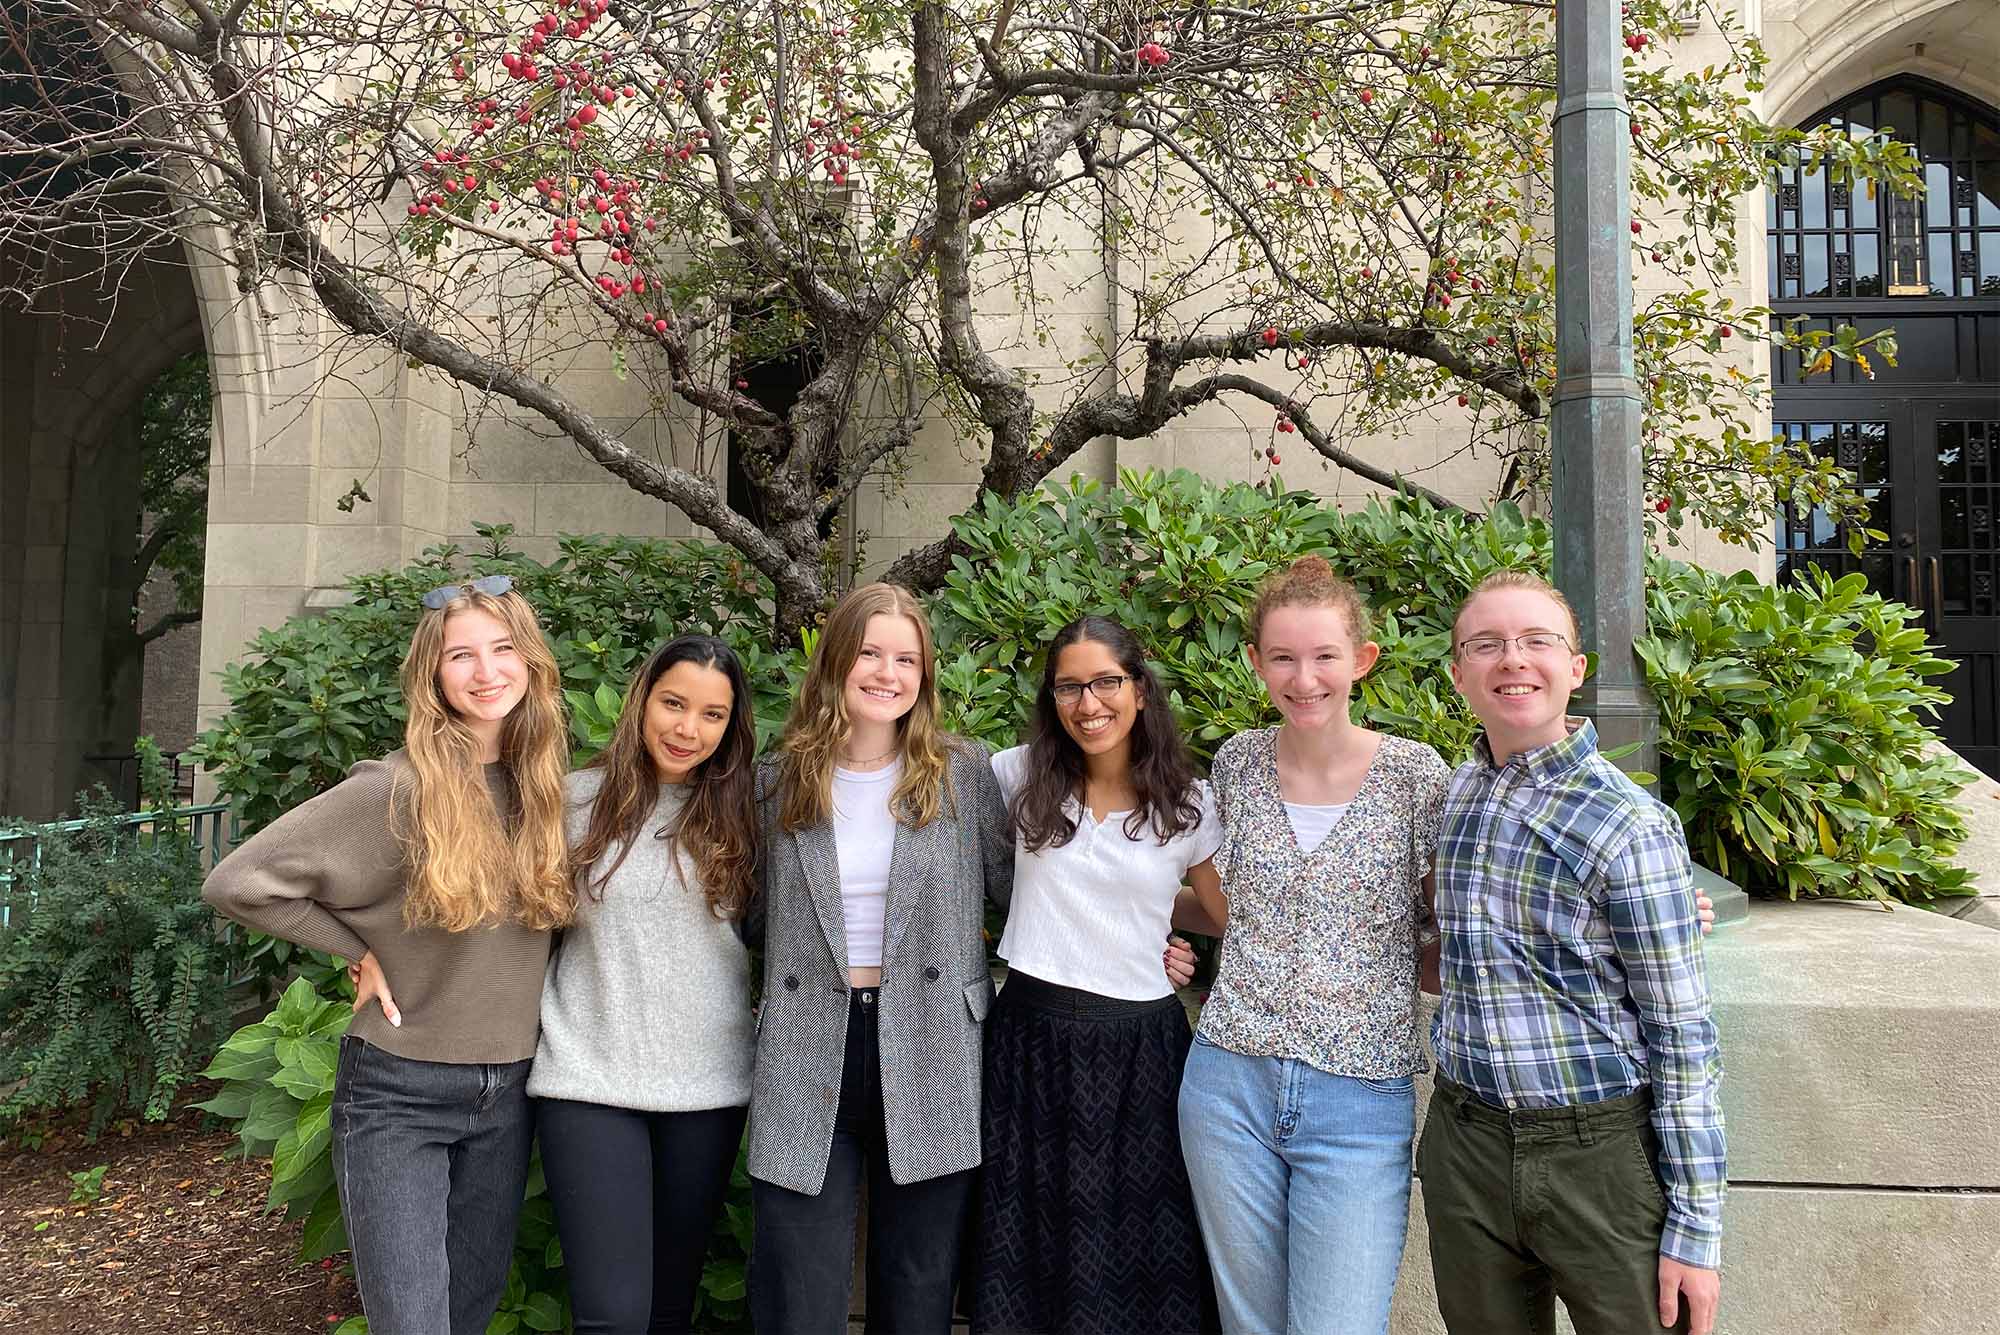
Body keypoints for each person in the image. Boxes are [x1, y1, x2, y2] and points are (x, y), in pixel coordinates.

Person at [202, 575, 573, 1335]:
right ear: (432, 675)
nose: (486, 671)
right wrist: (355, 947)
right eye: (459, 655)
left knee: (465, 1315)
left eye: (503, 649)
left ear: (531, 662)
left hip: (510, 1094)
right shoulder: (393, 789)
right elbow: (238, 881)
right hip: (397, 1094)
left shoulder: (547, 790)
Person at [1421, 569, 1725, 1335]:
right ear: (1459, 674)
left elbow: (1683, 1034)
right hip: (1467, 1144)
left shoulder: (1630, 824)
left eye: (1536, 641)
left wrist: (1695, 1227)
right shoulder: (1452, 799)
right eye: (1485, 644)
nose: (1512, 660)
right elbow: (1441, 952)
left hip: (1601, 1150)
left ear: (1576, 669)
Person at [1176, 556, 1451, 1335]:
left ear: (1361, 659)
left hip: (1359, 1097)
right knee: (1249, 1325)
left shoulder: (1413, 774)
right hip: (1228, 1081)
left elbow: (1449, 918)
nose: (1305, 679)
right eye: (1284, 658)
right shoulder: (1235, 762)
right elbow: (1220, 905)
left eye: (1325, 656)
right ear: (1256, 661)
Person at [746, 582, 1016, 1334]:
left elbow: (1026, 894)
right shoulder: (778, 780)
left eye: (907, 658)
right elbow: (748, 915)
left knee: (918, 1288)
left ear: (925, 673)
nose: (887, 672)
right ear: (836, 659)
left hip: (933, 1040)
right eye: (870, 652)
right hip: (807, 1046)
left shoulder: (963, 773)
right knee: (799, 1290)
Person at [971, 615, 1222, 1335]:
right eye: (1070, 687)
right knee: (1026, 1245)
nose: (1089, 703)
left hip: (1140, 1049)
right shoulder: (1013, 774)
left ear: (1140, 690)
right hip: (1028, 1040)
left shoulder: (1189, 802)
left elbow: (1222, 914)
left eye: (1107, 682)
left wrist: (1162, 936)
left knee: (1143, 1249)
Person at [528, 634, 759, 1335]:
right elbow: (488, 907)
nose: (689, 729)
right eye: (674, 703)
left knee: (666, 1308)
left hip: (708, 1088)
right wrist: (370, 949)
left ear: (731, 725)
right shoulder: (573, 801)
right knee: (613, 1316)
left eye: (712, 714)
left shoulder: (751, 812)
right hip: (589, 1079)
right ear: (642, 700)